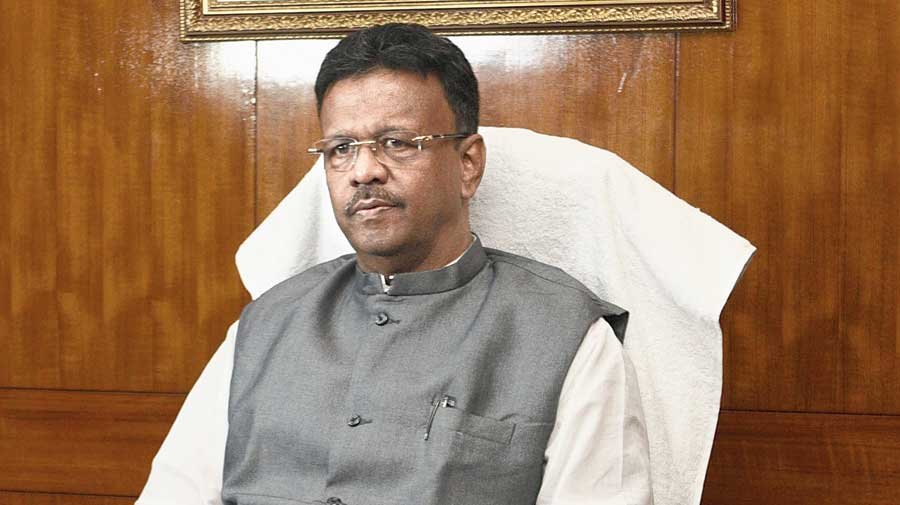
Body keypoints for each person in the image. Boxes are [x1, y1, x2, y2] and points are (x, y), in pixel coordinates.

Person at [136, 23, 651, 505]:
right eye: (341, 148)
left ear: (468, 164)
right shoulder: (265, 325)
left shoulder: (565, 335)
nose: (363, 171)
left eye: (397, 143)